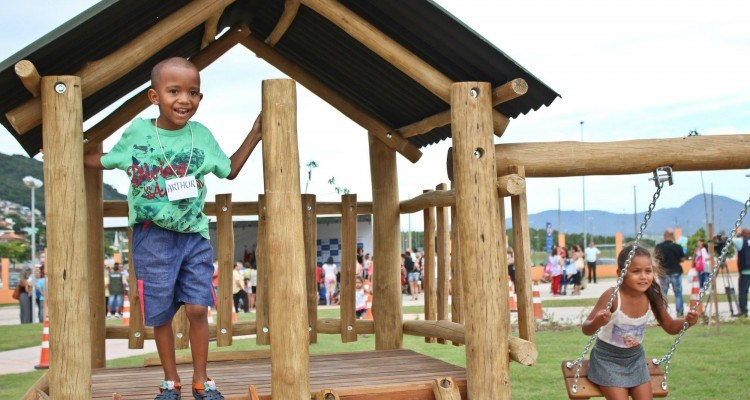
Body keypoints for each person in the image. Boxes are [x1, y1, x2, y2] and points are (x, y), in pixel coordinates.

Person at [83, 57, 263, 399]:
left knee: (198, 307)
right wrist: (67, 153)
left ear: (200, 98)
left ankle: (201, 379)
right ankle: (170, 382)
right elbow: (104, 161)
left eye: (193, 92)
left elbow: (230, 170)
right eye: (174, 91)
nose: (184, 99)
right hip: (152, 236)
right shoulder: (138, 133)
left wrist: (255, 134)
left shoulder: (202, 136)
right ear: (154, 97)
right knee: (161, 313)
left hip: (194, 234)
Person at [583, 245, 698, 400]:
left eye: (648, 271)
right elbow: (586, 328)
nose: (644, 277)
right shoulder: (613, 295)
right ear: (620, 273)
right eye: (636, 271)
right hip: (607, 360)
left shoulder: (652, 296)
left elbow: (670, 326)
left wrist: (687, 322)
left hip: (635, 360)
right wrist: (597, 321)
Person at [654, 228, 686, 317]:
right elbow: (683, 259)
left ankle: (663, 314)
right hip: (675, 272)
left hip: (663, 273)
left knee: (663, 294)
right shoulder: (677, 246)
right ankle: (680, 313)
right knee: (678, 293)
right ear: (672, 236)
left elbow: (656, 259)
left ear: (664, 236)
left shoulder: (659, 247)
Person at [732, 228, 750, 317]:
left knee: (743, 292)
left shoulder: (741, 241)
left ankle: (743, 311)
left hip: (745, 271)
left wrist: (738, 235)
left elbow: (731, 240)